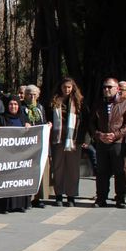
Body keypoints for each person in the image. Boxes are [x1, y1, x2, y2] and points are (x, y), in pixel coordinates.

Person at [88, 78, 126, 208]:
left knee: (120, 171)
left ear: (117, 89)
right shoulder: (98, 104)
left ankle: (120, 199)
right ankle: (101, 198)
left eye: (109, 87)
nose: (106, 90)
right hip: (102, 142)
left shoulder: (125, 104)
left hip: (118, 143)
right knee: (102, 172)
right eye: (104, 87)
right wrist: (99, 135)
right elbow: (91, 123)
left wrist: (116, 135)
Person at [49, 77, 87, 207]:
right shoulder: (54, 101)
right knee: (58, 168)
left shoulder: (79, 102)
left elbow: (85, 122)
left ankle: (71, 196)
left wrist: (85, 139)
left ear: (73, 88)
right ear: (60, 87)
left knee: (73, 169)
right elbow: (48, 119)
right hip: (57, 139)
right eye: (64, 87)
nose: (66, 90)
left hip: (73, 140)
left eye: (69, 87)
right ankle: (58, 195)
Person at [0, 96, 32, 213]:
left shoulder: (23, 118)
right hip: (7, 156)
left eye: (15, 104)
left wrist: (29, 127)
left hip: (21, 156)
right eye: (11, 104)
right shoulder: (1, 118)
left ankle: (21, 205)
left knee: (19, 179)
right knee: (8, 180)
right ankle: (6, 206)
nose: (13, 106)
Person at [22, 85, 49, 207]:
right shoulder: (22, 107)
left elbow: (42, 122)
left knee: (39, 171)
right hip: (26, 145)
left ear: (38, 95)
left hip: (39, 144)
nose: (32, 97)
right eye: (29, 94)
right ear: (25, 95)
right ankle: (27, 198)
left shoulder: (40, 108)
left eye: (34, 94)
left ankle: (37, 198)